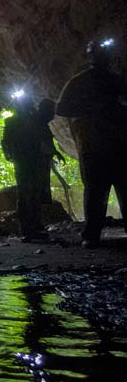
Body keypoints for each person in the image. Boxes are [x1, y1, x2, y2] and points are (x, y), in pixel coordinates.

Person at [56, 38, 127, 248]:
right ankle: (91, 234)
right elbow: (62, 108)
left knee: (117, 190)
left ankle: (91, 235)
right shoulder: (80, 82)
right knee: (96, 192)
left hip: (116, 144)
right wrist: (93, 108)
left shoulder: (117, 81)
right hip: (95, 146)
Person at [1, 93, 46, 240]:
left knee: (29, 193)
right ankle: (29, 229)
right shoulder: (29, 121)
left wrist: (8, 154)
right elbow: (6, 141)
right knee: (29, 193)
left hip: (26, 159)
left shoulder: (14, 121)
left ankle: (32, 228)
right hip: (27, 160)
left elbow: (5, 141)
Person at [35, 98, 65, 203]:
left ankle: (44, 206)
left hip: (41, 160)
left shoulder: (41, 123)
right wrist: (53, 152)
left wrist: (56, 152)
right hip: (37, 161)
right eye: (51, 112)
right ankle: (43, 208)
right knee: (41, 186)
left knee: (43, 185)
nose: (53, 116)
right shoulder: (37, 124)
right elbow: (42, 141)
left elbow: (46, 141)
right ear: (45, 111)